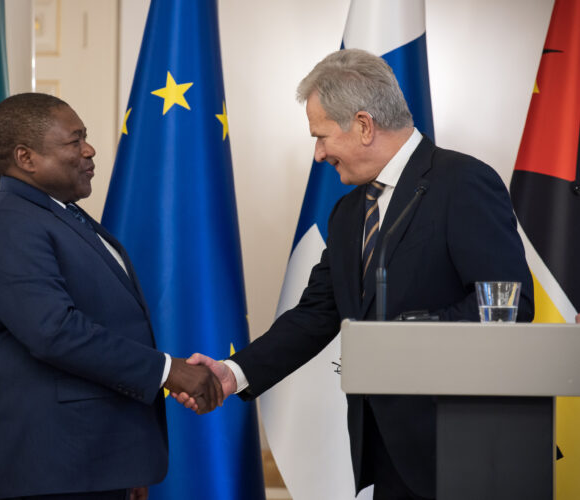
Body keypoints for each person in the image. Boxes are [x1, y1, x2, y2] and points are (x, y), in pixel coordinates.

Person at [175, 49, 534, 500]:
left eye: (322, 136)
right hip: (386, 451)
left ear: (364, 125)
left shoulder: (462, 182)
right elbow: (316, 314)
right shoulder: (348, 214)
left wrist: (398, 337)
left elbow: (507, 304)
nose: (319, 153)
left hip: (463, 446)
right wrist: (233, 373)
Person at [0, 93, 222, 500]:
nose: (89, 150)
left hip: (94, 462)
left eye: (86, 138)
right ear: (26, 158)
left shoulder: (60, 214)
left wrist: (127, 462)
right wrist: (169, 371)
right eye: (74, 141)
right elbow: (56, 332)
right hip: (50, 466)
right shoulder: (7, 223)